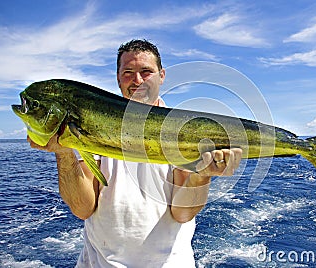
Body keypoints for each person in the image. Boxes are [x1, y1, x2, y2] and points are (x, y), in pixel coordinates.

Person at [28, 39, 242, 267]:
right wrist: (64, 154)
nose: (137, 80)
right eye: (128, 72)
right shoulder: (90, 123)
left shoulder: (182, 131)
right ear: (118, 77)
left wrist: (201, 175)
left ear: (161, 76)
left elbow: (182, 213)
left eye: (146, 72)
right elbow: (83, 208)